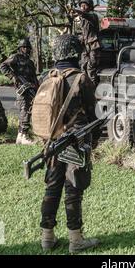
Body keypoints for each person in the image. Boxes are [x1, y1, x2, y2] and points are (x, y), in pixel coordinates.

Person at [39, 34, 100, 253]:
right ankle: (76, 240)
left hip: (52, 141)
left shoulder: (47, 77)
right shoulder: (81, 79)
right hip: (76, 140)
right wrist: (94, 142)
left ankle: (47, 237)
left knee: (52, 187)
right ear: (75, 52)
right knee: (73, 188)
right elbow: (93, 114)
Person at [0, 38, 39, 145]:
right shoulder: (15, 57)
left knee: (30, 110)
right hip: (22, 89)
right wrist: (13, 77)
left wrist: (37, 87)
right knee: (24, 109)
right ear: (20, 48)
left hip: (31, 89)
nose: (26, 49)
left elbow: (34, 77)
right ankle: (22, 135)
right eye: (24, 47)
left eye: (28, 48)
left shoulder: (30, 62)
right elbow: (3, 66)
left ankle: (22, 135)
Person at [70, 0, 102, 86]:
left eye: (85, 5)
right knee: (83, 67)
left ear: (90, 6)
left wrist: (74, 10)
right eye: (81, 5)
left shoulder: (93, 16)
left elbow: (84, 14)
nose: (82, 7)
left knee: (91, 68)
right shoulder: (82, 20)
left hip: (93, 46)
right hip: (85, 47)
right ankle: (85, 89)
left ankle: (93, 91)